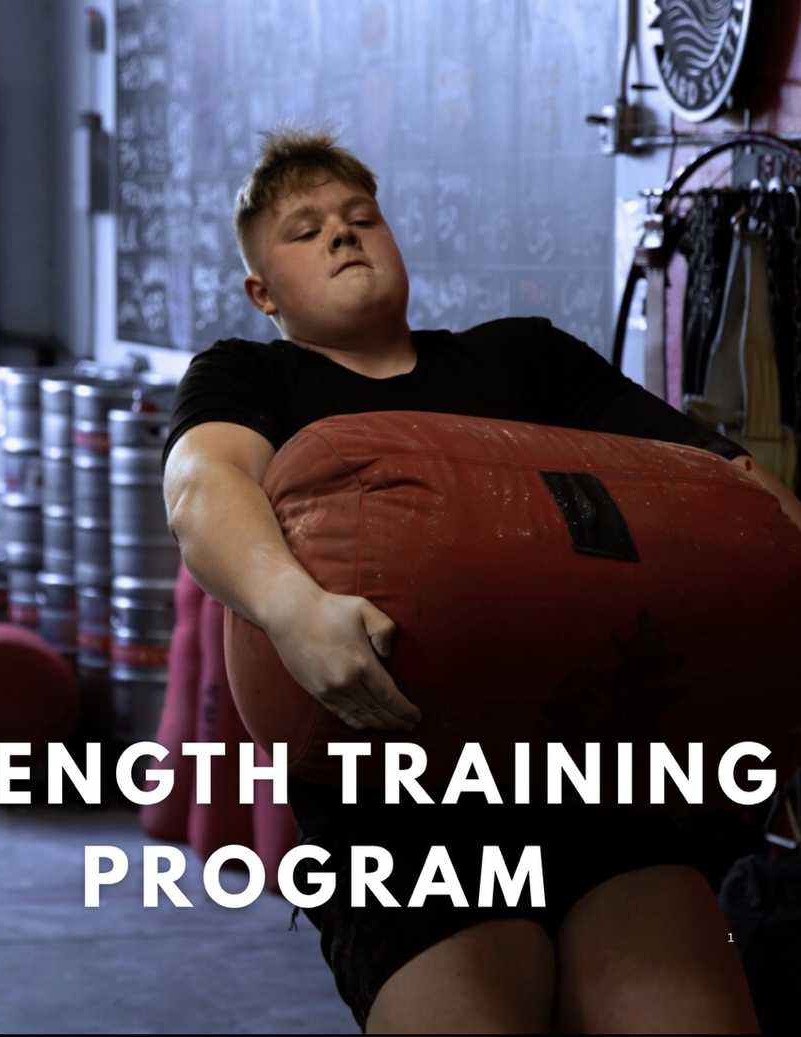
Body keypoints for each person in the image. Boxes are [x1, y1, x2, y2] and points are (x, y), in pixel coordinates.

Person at [162, 128, 800, 1033]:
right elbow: (200, 486)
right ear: (262, 293)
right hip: (397, 811)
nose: (342, 234)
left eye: (361, 217)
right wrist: (291, 608)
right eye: (304, 231)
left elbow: (720, 480)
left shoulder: (525, 361)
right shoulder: (252, 375)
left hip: (593, 779)